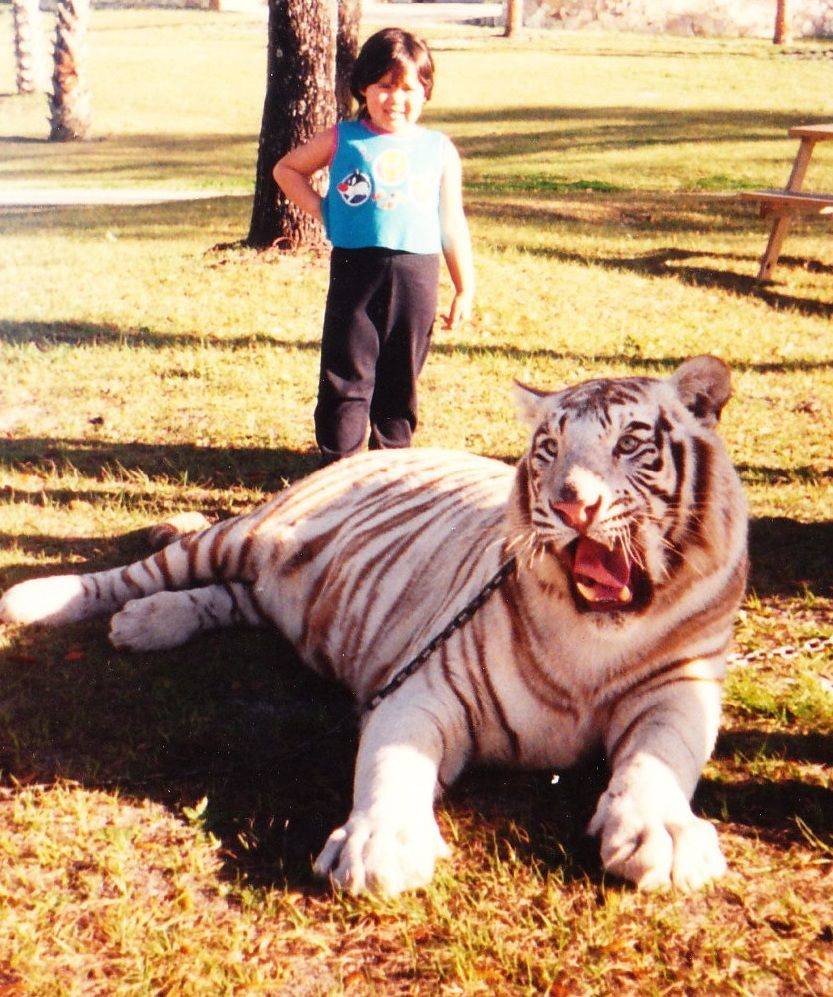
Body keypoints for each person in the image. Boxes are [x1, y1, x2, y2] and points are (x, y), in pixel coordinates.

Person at [273, 27, 475, 464]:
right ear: (363, 87)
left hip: (416, 275)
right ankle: (339, 465)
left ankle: (391, 466)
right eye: (384, 86)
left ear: (425, 92)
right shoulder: (342, 138)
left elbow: (452, 222)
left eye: (407, 88)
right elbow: (287, 170)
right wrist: (327, 212)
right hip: (355, 270)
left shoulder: (438, 150)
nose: (395, 99)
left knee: (401, 376)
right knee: (347, 370)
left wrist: (465, 287)